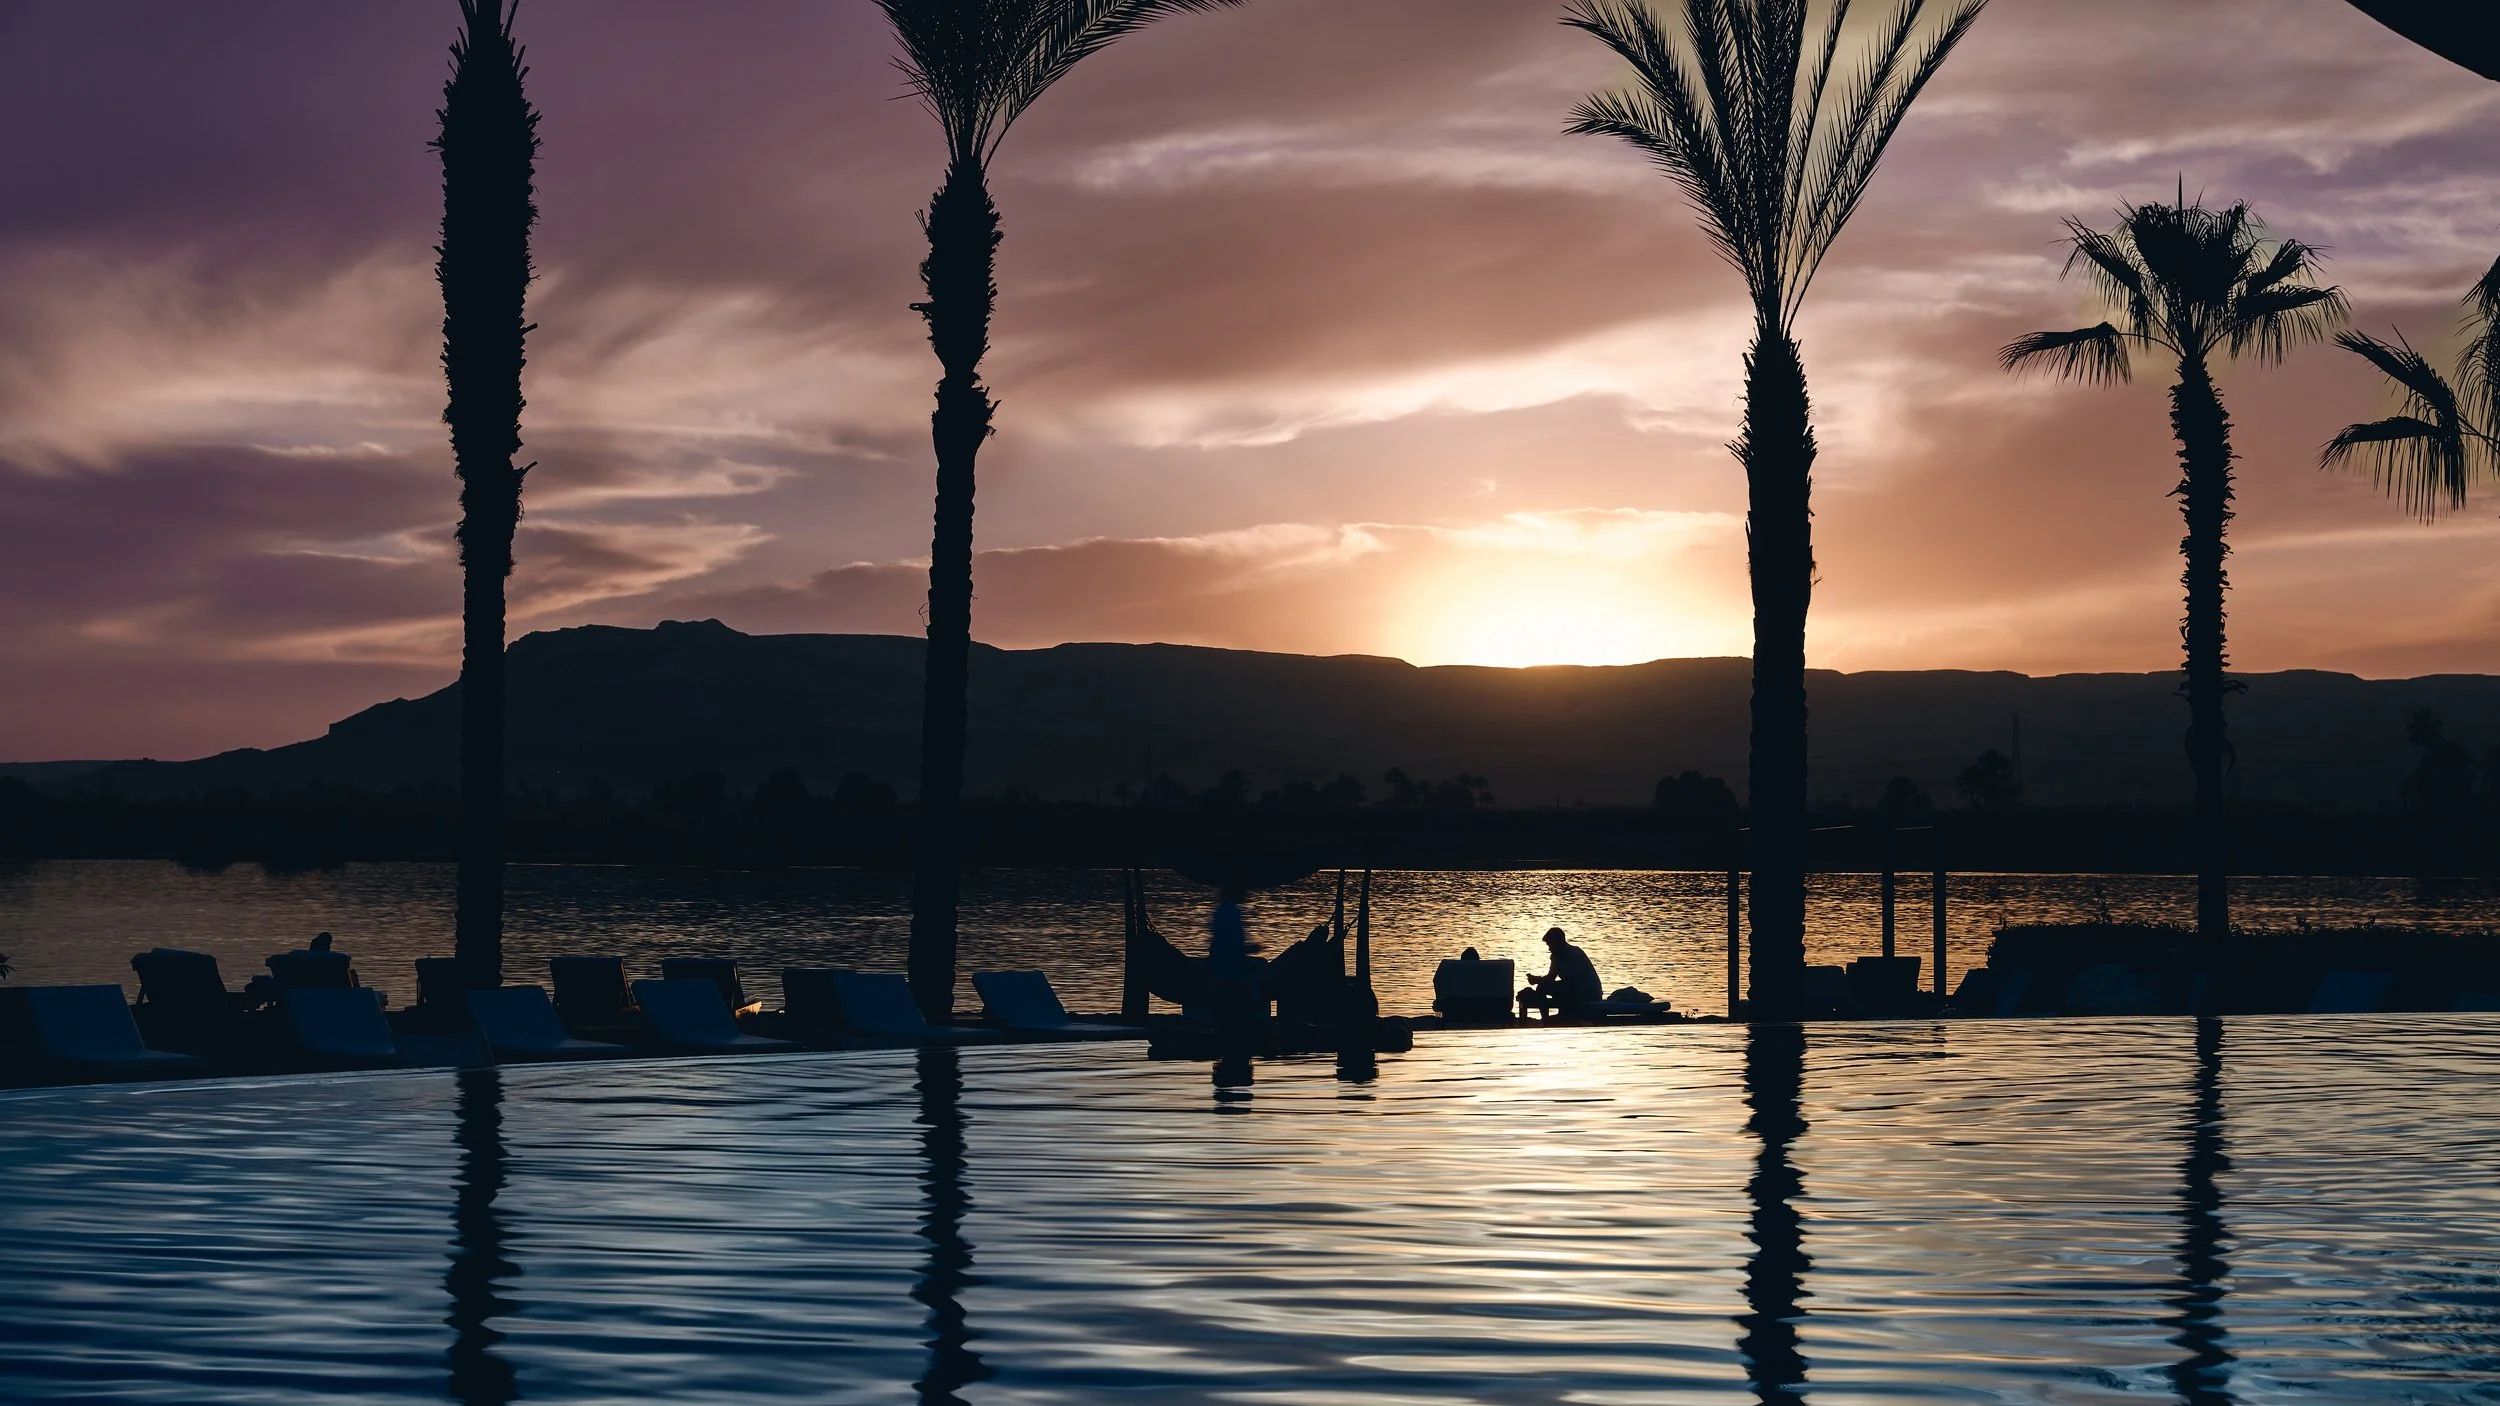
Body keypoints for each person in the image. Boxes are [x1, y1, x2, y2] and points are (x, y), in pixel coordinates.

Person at [1518, 927, 1603, 1021]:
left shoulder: (1574, 954)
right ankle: (1545, 1018)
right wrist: (1537, 980)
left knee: (1553, 988)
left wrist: (1540, 981)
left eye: (1550, 945)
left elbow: (1571, 981)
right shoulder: (1556, 956)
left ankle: (1561, 1016)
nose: (1549, 948)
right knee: (1542, 987)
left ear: (1558, 942)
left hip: (1588, 992)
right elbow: (1551, 977)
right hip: (1573, 988)